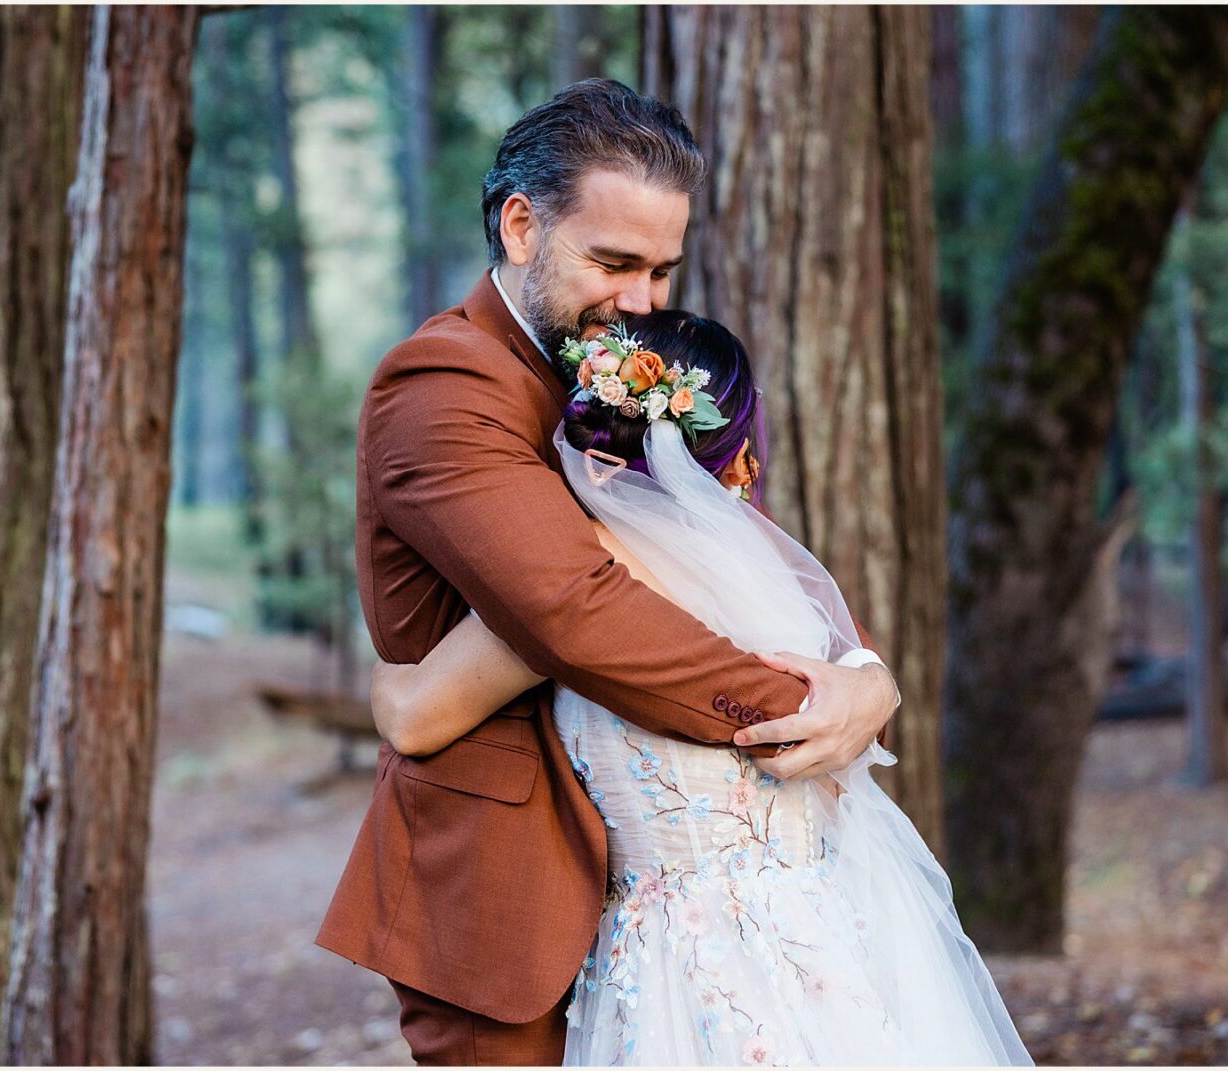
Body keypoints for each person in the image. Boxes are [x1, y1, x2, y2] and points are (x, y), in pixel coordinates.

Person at [314, 79, 899, 1066]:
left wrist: (864, 675)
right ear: (518, 226)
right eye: (613, 261)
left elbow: (722, 563)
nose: (639, 302)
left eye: (662, 271)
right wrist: (808, 709)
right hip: (509, 894)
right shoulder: (444, 383)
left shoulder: (617, 376)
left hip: (672, 890)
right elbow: (573, 605)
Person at [367, 310, 1034, 1066]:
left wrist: (385, 668)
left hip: (673, 964)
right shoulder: (763, 566)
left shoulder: (573, 581)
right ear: (736, 454)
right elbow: (836, 778)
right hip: (819, 935)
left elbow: (414, 714)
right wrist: (870, 680)